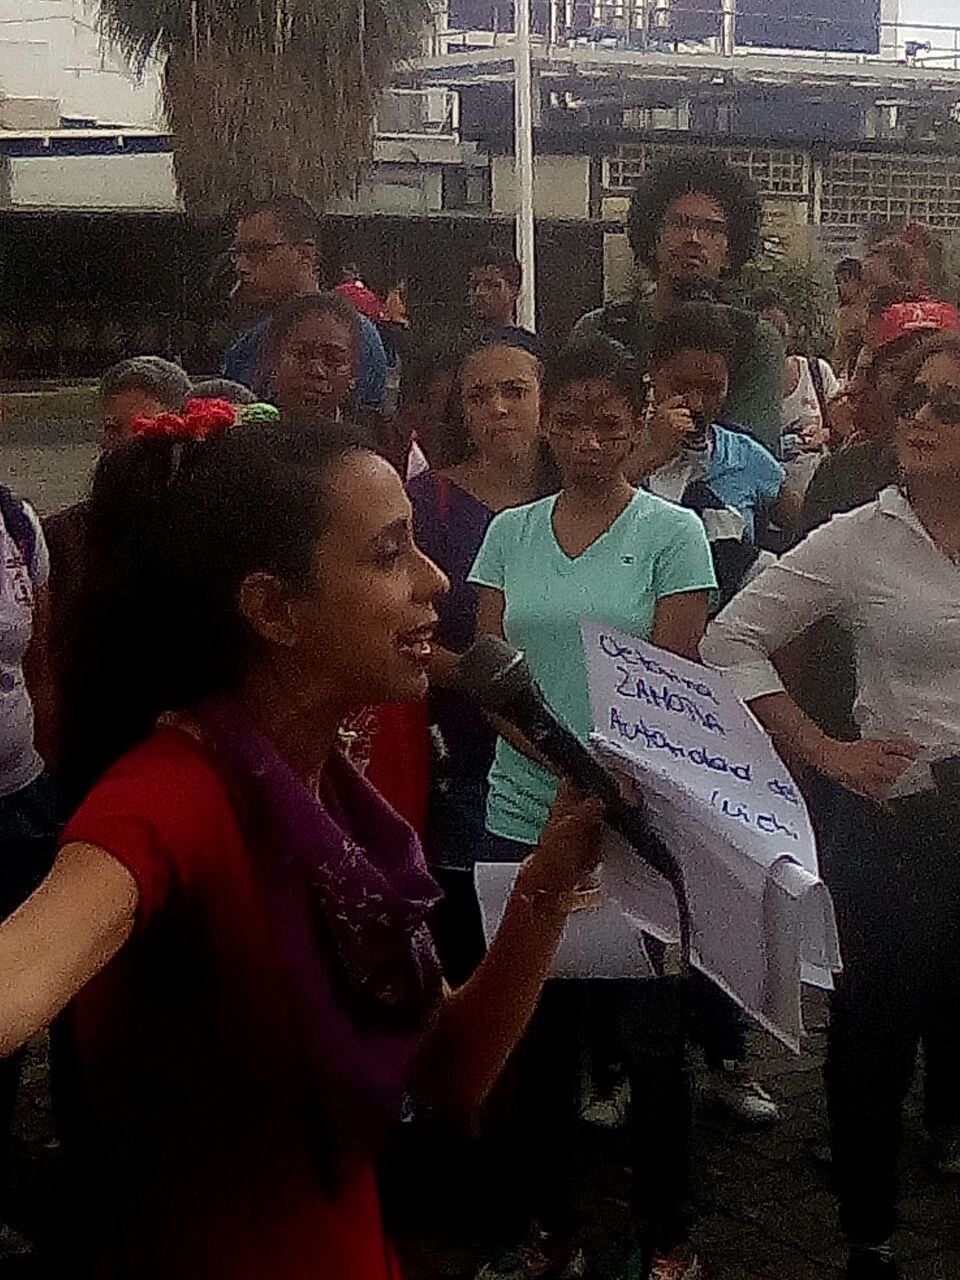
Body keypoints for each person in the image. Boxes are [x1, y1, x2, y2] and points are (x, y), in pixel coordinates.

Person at [0, 414, 606, 1280]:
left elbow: (451, 1070)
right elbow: (19, 977)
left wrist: (545, 884)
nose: (436, 580)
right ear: (273, 609)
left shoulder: (331, 791)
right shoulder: (168, 798)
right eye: (389, 554)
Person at [701, 332, 960, 1280]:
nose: (920, 416)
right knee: (873, 1033)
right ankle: (869, 1231)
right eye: (914, 398)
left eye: (948, 404)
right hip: (901, 819)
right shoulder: (860, 537)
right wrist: (821, 749)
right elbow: (731, 639)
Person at [469, 337, 716, 1280]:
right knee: (533, 1034)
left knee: (653, 1038)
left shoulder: (671, 533)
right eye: (568, 422)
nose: (586, 442)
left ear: (637, 421)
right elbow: (490, 672)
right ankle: (549, 1223)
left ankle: (666, 1227)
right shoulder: (510, 532)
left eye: (608, 424)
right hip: (524, 809)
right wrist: (558, 764)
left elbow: (671, 673)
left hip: (635, 814)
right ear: (548, 424)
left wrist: (609, 780)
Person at [408, 338, 556, 985]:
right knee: (480, 957)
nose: (498, 408)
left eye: (515, 391)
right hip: (468, 764)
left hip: (577, 761)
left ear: (546, 401)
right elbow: (403, 626)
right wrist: (488, 684)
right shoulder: (426, 504)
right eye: (479, 396)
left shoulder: (584, 498)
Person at [572, 153, 784, 450]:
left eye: (711, 228)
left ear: (730, 250)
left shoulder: (755, 341)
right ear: (653, 238)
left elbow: (752, 458)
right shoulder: (601, 330)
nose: (693, 238)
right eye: (679, 223)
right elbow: (577, 440)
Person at [44, 357, 194, 735]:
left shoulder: (201, 536)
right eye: (113, 428)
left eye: (145, 430)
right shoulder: (59, 537)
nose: (125, 444)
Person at [0, 479, 59, 1257]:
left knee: (8, 1007)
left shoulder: (15, 521)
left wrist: (49, 768)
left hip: (18, 800)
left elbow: (40, 660)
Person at [638, 303, 795, 552]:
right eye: (680, 387)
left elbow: (810, 528)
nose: (696, 404)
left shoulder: (746, 456)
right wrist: (651, 456)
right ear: (654, 374)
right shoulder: (618, 449)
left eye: (712, 389)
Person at [222, 196, 387, 412]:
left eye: (257, 251)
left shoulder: (354, 335)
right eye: (237, 254)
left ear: (305, 254)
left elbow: (363, 422)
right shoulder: (247, 345)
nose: (241, 266)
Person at [754, 290, 840, 500]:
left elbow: (842, 426)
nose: (774, 340)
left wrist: (823, 434)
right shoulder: (748, 385)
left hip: (820, 493)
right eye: (766, 332)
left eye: (779, 330)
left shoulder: (816, 371)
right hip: (769, 500)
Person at [467, 245, 542, 358]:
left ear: (514, 290)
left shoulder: (526, 346)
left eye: (491, 285)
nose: (480, 292)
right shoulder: (460, 344)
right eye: (474, 285)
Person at [833, 258, 867, 380]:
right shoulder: (845, 313)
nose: (842, 286)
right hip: (854, 370)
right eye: (838, 282)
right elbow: (841, 348)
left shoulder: (872, 306)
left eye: (846, 281)